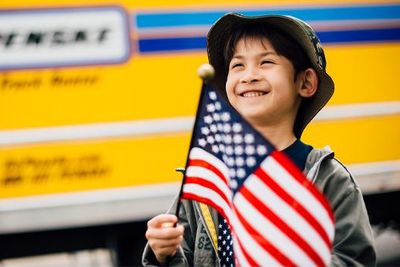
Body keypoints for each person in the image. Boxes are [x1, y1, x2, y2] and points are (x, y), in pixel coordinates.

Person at [142, 13, 376, 266]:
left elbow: (354, 259)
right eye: (237, 65)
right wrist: (165, 253)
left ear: (305, 82)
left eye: (266, 62)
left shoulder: (329, 178)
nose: (248, 75)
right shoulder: (208, 178)